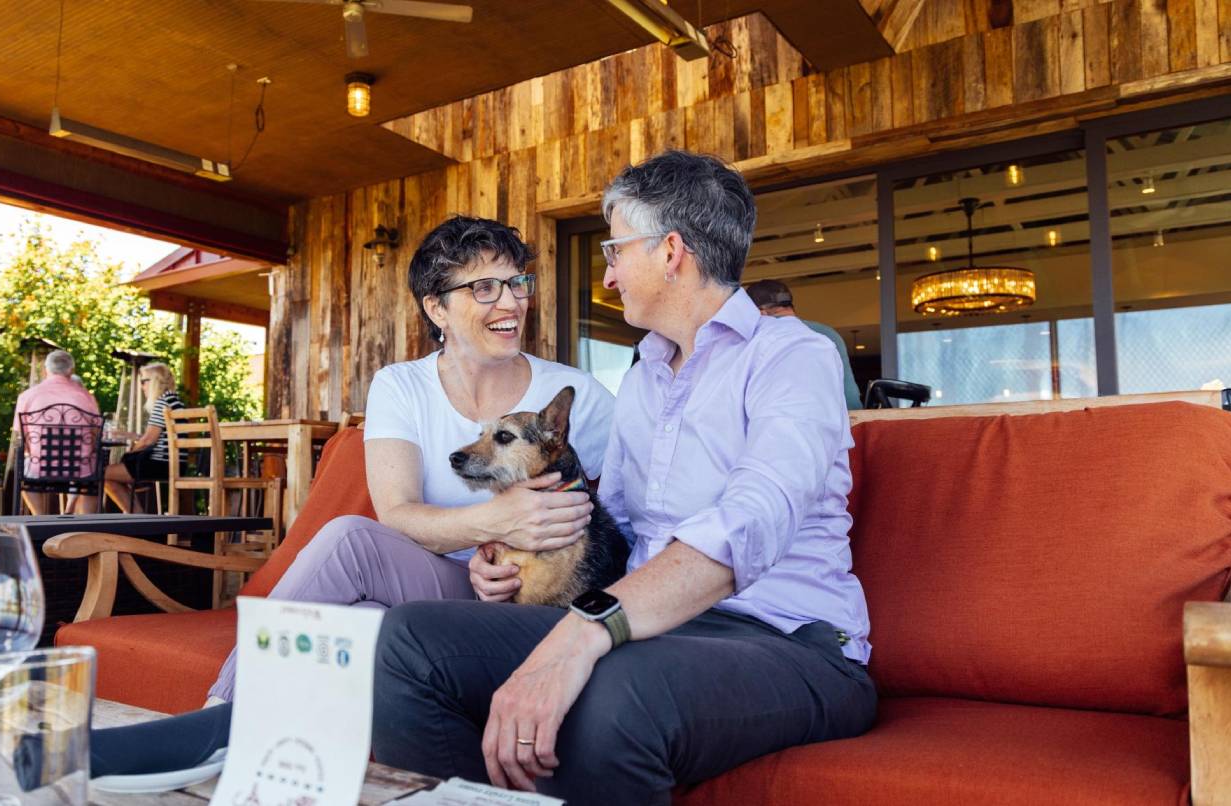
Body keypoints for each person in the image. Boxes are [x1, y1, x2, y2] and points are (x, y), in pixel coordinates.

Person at [372, 151, 875, 805]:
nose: (606, 277)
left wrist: (587, 629)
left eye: (614, 251)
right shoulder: (643, 374)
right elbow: (621, 524)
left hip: (787, 643)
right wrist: (506, 554)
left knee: (608, 693)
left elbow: (750, 520)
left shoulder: (793, 357)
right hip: (654, 626)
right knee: (410, 639)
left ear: (670, 252)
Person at [205, 216, 617, 703]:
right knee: (352, 549)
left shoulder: (577, 397)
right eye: (484, 288)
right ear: (436, 308)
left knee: (365, 617)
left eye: (516, 282)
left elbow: (625, 522)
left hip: (529, 596)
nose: (511, 302)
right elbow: (396, 513)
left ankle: (220, 722)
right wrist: (495, 525)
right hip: (442, 578)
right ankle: (225, 716)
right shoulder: (401, 385)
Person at [747, 279, 863, 409]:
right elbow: (850, 397)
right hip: (830, 421)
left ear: (759, 312)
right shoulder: (828, 334)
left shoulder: (754, 340)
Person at [12, 350, 102, 514]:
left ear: (45, 370)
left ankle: (41, 517)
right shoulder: (86, 396)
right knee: (96, 465)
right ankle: (88, 524)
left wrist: (32, 452)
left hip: (40, 466)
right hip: (80, 468)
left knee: (25, 465)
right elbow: (96, 433)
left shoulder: (27, 396)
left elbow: (21, 435)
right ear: (71, 371)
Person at [103, 361, 183, 513]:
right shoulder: (174, 401)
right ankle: (137, 517)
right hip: (173, 462)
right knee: (113, 473)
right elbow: (157, 438)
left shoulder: (162, 403)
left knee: (102, 474)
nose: (141, 386)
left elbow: (148, 441)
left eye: (143, 381)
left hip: (160, 464)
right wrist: (128, 435)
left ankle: (136, 517)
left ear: (155, 381)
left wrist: (130, 454)